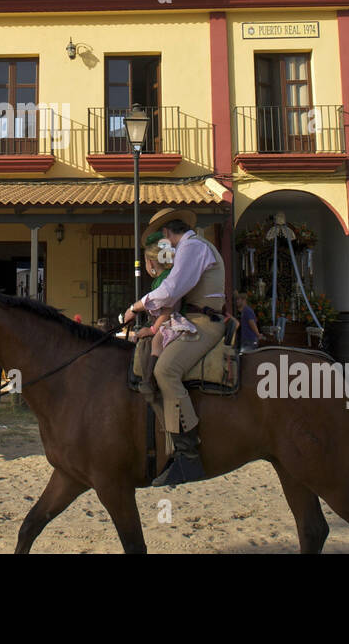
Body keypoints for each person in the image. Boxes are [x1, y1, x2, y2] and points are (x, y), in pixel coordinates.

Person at [121, 207, 226, 487]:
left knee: (166, 370)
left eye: (161, 238)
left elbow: (170, 291)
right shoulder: (191, 248)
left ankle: (188, 455)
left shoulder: (192, 248)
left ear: (167, 233)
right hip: (190, 319)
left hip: (203, 321)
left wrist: (136, 307)